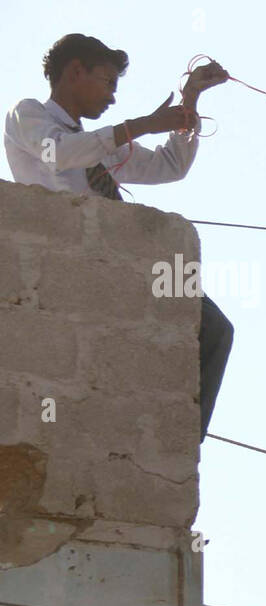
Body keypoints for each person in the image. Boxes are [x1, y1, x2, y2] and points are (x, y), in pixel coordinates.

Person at [4, 33, 232, 440]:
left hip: (119, 257)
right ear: (76, 72)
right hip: (70, 256)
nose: (112, 98)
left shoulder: (103, 145)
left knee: (214, 328)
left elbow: (169, 166)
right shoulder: (30, 115)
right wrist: (140, 126)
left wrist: (190, 101)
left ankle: (181, 439)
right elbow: (60, 152)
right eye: (108, 82)